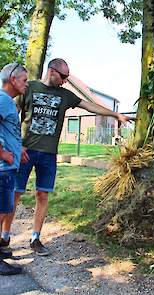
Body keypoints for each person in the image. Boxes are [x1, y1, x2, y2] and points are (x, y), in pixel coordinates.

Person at [1, 58, 132, 256]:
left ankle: (36, 238)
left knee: (42, 194)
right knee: (15, 194)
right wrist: (18, 146)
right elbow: (12, 118)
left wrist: (116, 116)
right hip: (26, 151)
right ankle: (5, 235)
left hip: (49, 154)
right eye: (63, 76)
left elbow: (90, 106)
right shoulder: (29, 87)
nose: (65, 80)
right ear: (52, 71)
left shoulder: (65, 95)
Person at [0, 63, 28, 275]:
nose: (26, 84)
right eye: (24, 80)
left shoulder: (7, 102)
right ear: (12, 80)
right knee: (1, 212)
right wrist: (2, 153)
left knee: (4, 209)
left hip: (8, 167)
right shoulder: (2, 100)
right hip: (2, 168)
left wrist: (18, 149)